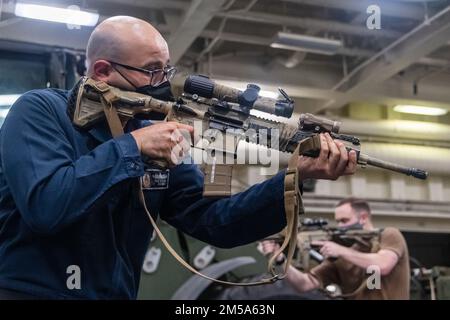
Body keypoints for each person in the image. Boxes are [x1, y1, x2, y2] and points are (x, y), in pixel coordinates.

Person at [0, 16, 356, 299]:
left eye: (166, 70)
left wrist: (297, 176)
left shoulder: (150, 130)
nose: (162, 81)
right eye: (152, 70)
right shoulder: (41, 110)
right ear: (102, 72)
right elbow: (47, 204)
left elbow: (216, 220)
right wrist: (132, 148)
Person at [262, 197, 410, 299]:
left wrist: (340, 250)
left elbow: (383, 265)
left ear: (363, 218)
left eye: (344, 220)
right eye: (338, 221)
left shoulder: (389, 235)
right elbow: (304, 284)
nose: (340, 226)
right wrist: (280, 259)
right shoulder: (341, 260)